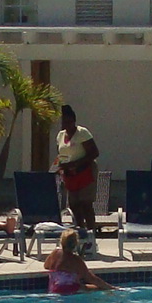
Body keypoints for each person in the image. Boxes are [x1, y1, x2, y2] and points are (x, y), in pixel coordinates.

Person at [54, 105, 99, 245]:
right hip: (69, 174)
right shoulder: (60, 135)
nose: (66, 124)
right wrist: (58, 166)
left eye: (68, 121)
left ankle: (92, 236)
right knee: (74, 204)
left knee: (85, 204)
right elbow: (61, 155)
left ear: (73, 121)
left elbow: (94, 153)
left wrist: (75, 164)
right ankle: (81, 234)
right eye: (63, 122)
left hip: (85, 172)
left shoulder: (82, 133)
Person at [42, 229, 115, 294]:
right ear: (76, 243)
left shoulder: (54, 254)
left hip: (53, 289)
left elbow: (46, 266)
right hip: (70, 289)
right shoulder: (75, 260)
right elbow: (91, 278)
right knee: (99, 288)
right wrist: (110, 287)